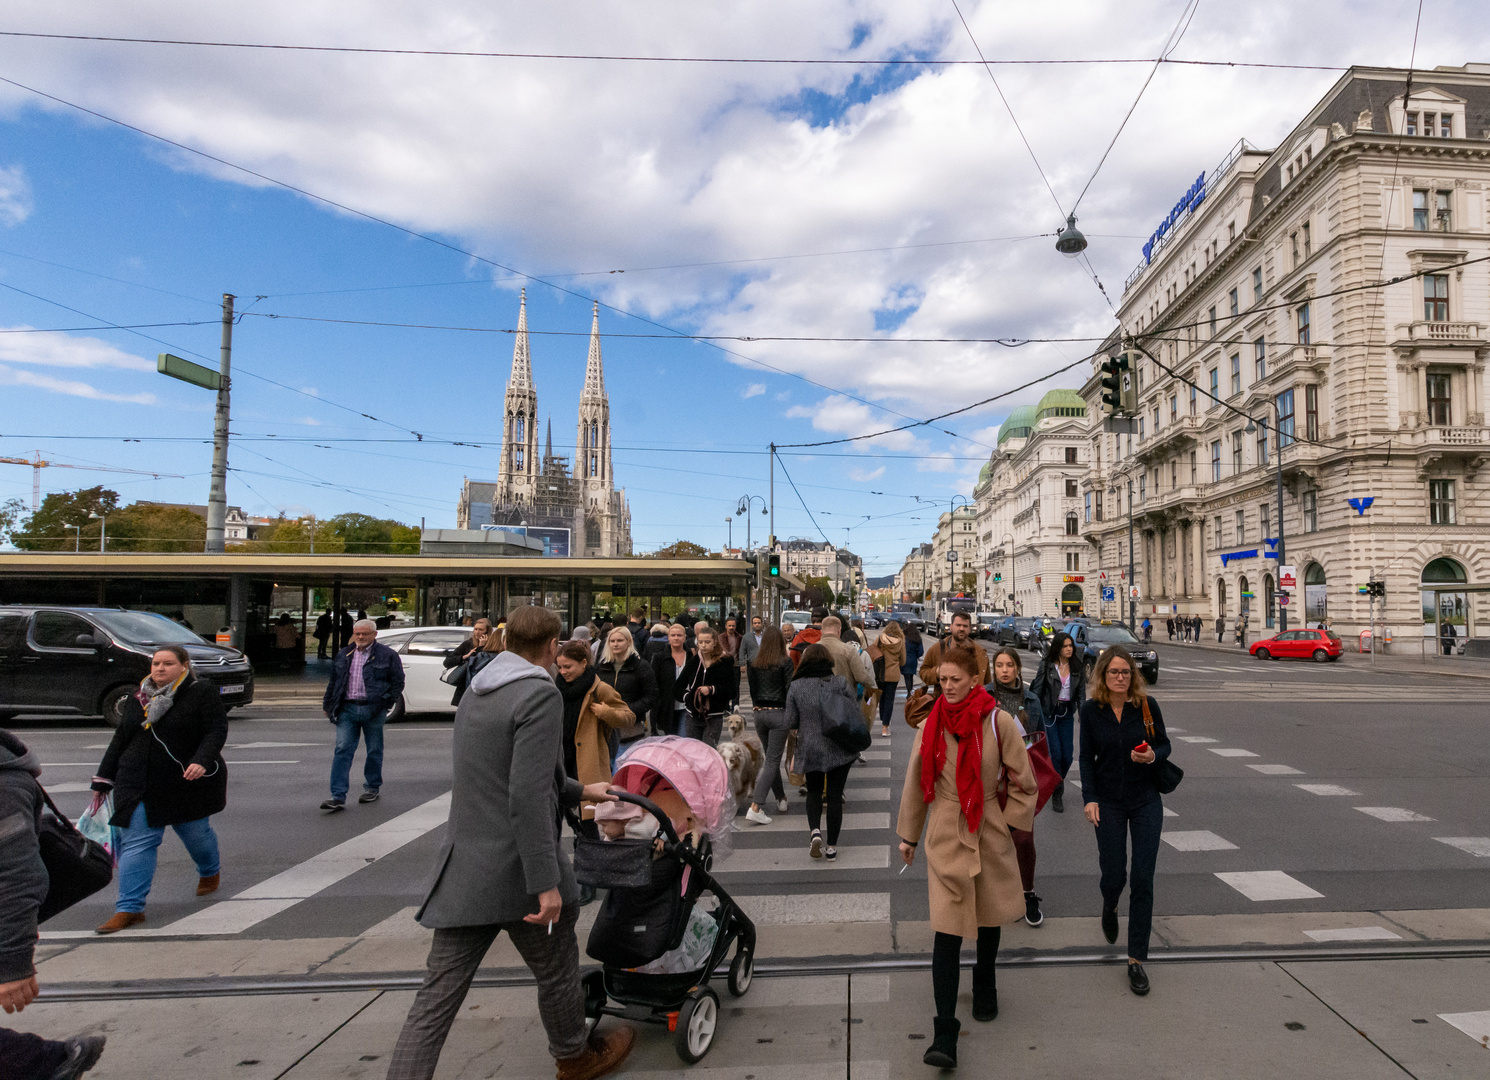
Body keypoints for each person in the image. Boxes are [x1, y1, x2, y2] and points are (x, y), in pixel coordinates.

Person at [385, 605, 633, 1080]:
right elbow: (526, 795)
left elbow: (504, 774)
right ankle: (574, 1057)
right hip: (521, 872)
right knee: (557, 973)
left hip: (465, 871)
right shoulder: (539, 694)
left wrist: (581, 789)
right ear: (549, 646)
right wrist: (545, 882)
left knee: (434, 1002)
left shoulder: (478, 689)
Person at [896, 644, 1036, 1069]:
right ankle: (944, 1032)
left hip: (989, 829)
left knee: (989, 916)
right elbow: (915, 781)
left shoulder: (999, 721)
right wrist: (910, 835)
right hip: (945, 831)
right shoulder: (931, 723)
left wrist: (1008, 823)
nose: (948, 687)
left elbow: (1024, 781)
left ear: (976, 678)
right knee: (948, 931)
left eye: (956, 680)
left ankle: (986, 980)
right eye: (942, 680)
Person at [90, 645, 229, 933]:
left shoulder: (199, 692)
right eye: (156, 663)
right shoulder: (137, 697)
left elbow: (215, 730)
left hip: (183, 780)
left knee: (196, 835)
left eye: (168, 663)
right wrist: (103, 778)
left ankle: (209, 870)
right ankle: (129, 908)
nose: (160, 669)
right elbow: (121, 737)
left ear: (184, 666)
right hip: (136, 780)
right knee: (138, 842)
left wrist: (202, 761)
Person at [1, 729, 109, 1078]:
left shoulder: (4, 786)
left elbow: (16, 877)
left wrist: (13, 964)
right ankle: (47, 1062)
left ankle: (46, 1063)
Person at [1079, 645, 1172, 997]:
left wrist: (1151, 755)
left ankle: (1135, 959)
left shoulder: (1146, 706)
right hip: (1109, 802)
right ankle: (1110, 902)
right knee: (1114, 873)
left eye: (1126, 672)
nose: (1121, 678)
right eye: (1114, 672)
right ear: (1102, 675)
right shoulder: (1091, 711)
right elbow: (1086, 758)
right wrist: (1089, 798)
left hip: (1146, 799)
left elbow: (1164, 746)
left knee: (1143, 878)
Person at [321, 619, 405, 812]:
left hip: (373, 709)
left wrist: (386, 702)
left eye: (364, 634)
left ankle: (372, 787)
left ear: (374, 635)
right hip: (347, 709)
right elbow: (334, 682)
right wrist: (328, 704)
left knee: (374, 750)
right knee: (342, 749)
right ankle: (337, 796)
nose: (360, 637)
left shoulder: (387, 655)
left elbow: (398, 681)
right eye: (357, 633)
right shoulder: (344, 654)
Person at [988, 647, 1046, 927]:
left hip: (1022, 776)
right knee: (994, 838)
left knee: (1023, 839)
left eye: (1009, 665)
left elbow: (1040, 736)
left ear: (1018, 668)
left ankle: (1027, 892)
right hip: (991, 777)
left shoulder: (1032, 699)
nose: (1004, 670)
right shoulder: (984, 697)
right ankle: (998, 893)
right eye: (999, 665)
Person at [786, 644, 860, 861]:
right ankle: (832, 847)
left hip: (811, 747)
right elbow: (853, 712)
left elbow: (790, 721)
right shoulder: (839, 683)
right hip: (839, 746)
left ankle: (814, 832)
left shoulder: (796, 686)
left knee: (814, 792)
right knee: (835, 796)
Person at [743, 625, 795, 824]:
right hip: (779, 714)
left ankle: (781, 798)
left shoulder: (754, 663)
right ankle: (756, 806)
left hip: (759, 715)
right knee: (773, 762)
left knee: (770, 760)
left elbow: (753, 689)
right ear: (781, 642)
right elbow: (789, 690)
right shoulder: (785, 662)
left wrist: (757, 707)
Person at [1033, 631, 1085, 814]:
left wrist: (1083, 712)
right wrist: (1035, 712)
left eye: (1071, 646)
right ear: (1058, 648)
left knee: (1067, 756)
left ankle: (1054, 780)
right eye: (1065, 646)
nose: (1069, 649)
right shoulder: (1046, 665)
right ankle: (1057, 791)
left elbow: (1081, 694)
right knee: (1055, 753)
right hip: (1049, 713)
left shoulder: (1077, 667)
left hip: (1066, 714)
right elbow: (1038, 689)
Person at [596, 627, 658, 755]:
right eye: (612, 641)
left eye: (620, 640)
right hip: (604, 727)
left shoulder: (641, 666)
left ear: (628, 642)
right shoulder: (601, 666)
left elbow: (651, 696)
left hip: (630, 728)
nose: (615, 644)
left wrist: (628, 710)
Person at [684, 627, 736, 746]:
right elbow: (678, 686)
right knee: (692, 752)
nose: (703, 645)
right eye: (700, 642)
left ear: (715, 642)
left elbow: (732, 690)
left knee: (708, 751)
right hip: (693, 715)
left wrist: (712, 690)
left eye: (707, 642)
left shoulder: (725, 661)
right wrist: (687, 697)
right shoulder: (695, 661)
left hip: (714, 715)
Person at [651, 623, 698, 738]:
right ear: (668, 638)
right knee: (671, 740)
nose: (676, 638)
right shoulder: (659, 657)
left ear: (684, 637)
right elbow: (654, 682)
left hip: (687, 706)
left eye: (679, 635)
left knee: (683, 738)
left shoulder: (692, 656)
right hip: (667, 707)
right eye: (673, 635)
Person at [919, 611, 990, 687]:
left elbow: (987, 682)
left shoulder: (980, 653)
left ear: (970, 629)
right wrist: (938, 672)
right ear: (951, 627)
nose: (961, 629)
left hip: (973, 698)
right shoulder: (937, 648)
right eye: (958, 625)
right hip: (946, 697)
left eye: (965, 626)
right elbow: (923, 672)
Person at [819, 616, 875, 698]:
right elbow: (862, 677)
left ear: (821, 631)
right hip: (844, 700)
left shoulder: (809, 650)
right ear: (839, 631)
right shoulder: (848, 650)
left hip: (818, 700)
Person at [872, 619, 906, 737]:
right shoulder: (901, 642)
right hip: (893, 675)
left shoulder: (880, 639)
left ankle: (882, 719)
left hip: (880, 674)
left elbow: (873, 653)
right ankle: (885, 727)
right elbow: (903, 661)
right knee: (889, 700)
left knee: (881, 698)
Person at [901, 621, 925, 686]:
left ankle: (909, 691)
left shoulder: (904, 638)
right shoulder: (917, 639)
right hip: (913, 660)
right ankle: (910, 690)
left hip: (905, 659)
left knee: (907, 677)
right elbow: (921, 652)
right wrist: (916, 656)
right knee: (911, 676)